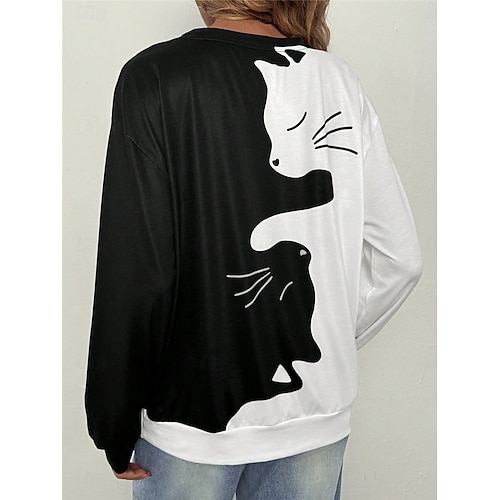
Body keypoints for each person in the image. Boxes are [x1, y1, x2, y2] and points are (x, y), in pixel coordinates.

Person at [85, 1, 423, 498]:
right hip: (316, 420)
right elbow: (400, 258)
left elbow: (137, 270)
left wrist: (112, 420)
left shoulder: (155, 75)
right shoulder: (337, 80)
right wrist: (321, 338)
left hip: (192, 424)